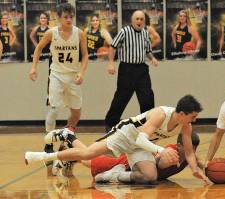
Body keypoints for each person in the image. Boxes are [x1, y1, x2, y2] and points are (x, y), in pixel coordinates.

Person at [25, 95, 212, 185]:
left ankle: (114, 175)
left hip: (141, 144)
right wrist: (160, 150)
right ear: (181, 114)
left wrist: (197, 170)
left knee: (150, 177)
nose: (194, 120)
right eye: (193, 116)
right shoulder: (160, 114)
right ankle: (42, 155)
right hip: (126, 134)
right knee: (88, 154)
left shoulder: (186, 126)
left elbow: (188, 152)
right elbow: (139, 138)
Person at [28, 3, 88, 155]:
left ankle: (67, 134)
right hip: (56, 75)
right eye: (65, 17)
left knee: (76, 112)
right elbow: (38, 48)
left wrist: (81, 72)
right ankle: (48, 142)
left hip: (73, 75)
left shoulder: (79, 33)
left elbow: (85, 55)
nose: (69, 19)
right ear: (58, 18)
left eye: (71, 17)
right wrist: (34, 67)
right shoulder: (51, 33)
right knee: (54, 108)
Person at [105, 10, 158, 131]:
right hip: (127, 69)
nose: (139, 21)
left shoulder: (145, 33)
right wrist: (111, 63)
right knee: (121, 97)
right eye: (137, 19)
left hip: (141, 69)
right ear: (132, 21)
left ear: (144, 21)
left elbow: (147, 50)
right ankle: (110, 123)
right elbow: (113, 46)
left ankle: (147, 124)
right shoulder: (124, 31)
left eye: (141, 19)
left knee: (147, 96)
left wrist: (152, 58)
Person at [81, 132, 202, 182]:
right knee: (86, 160)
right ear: (179, 145)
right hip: (129, 164)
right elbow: (158, 159)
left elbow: (203, 164)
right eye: (189, 147)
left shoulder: (190, 155)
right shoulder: (170, 151)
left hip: (139, 172)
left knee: (89, 157)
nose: (192, 151)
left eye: (194, 148)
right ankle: (69, 141)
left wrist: (208, 172)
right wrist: (161, 161)